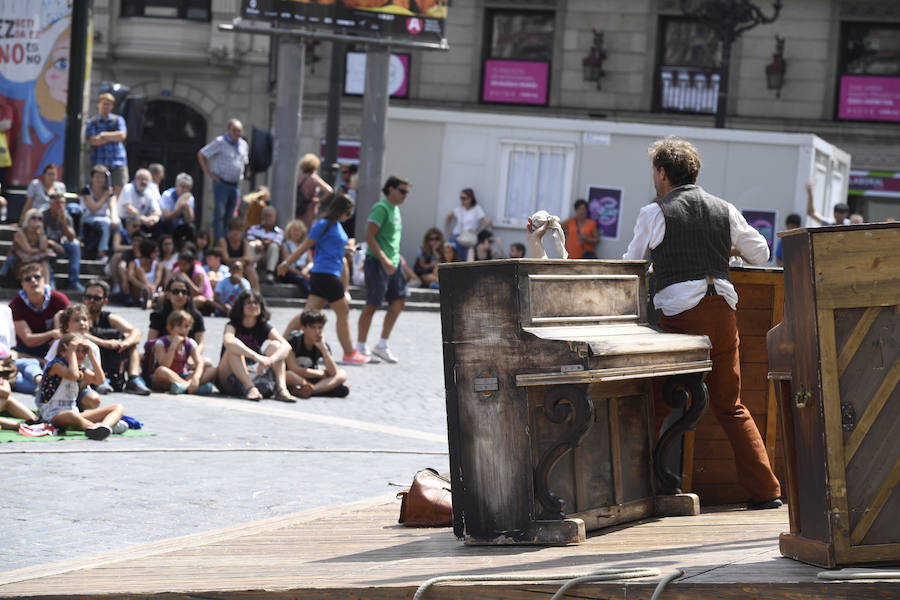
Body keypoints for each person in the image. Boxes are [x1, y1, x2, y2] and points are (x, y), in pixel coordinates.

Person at [622, 136, 782, 510]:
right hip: (723, 313)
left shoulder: (655, 212)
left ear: (662, 173)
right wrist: (724, 248)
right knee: (731, 405)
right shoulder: (723, 209)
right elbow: (761, 253)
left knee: (658, 402)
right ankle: (766, 492)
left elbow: (630, 265)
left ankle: (638, 488)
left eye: (655, 173)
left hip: (681, 319)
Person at [279, 194, 368, 365]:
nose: (349, 217)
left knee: (307, 316)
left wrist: (349, 250)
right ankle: (349, 353)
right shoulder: (322, 225)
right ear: (342, 211)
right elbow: (304, 246)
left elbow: (334, 248)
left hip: (325, 274)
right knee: (343, 313)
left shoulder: (336, 226)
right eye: (349, 213)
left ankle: (281, 344)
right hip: (327, 275)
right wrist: (286, 263)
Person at [356, 176, 410, 364]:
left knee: (399, 301)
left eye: (407, 192)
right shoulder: (381, 208)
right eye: (402, 191)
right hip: (377, 262)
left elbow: (391, 240)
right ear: (391, 189)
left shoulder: (395, 210)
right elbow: (369, 236)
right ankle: (360, 347)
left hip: (394, 264)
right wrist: (384, 259)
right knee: (372, 304)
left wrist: (396, 260)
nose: (405, 195)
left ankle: (382, 345)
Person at [35, 333, 124, 441]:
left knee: (118, 407)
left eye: (83, 351)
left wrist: (91, 355)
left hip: (74, 413)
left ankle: (105, 427)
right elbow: (73, 376)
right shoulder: (56, 365)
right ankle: (94, 427)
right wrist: (71, 351)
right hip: (51, 415)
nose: (81, 355)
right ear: (63, 351)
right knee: (71, 415)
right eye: (77, 350)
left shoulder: (80, 368)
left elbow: (100, 380)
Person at [216, 290, 294, 402]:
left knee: (277, 346)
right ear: (241, 306)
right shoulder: (232, 325)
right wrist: (256, 356)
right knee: (233, 349)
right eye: (248, 303)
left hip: (253, 370)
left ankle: (282, 390)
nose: (253, 305)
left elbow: (286, 346)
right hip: (229, 375)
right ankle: (250, 388)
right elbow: (229, 342)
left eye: (256, 303)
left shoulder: (263, 326)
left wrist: (270, 360)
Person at [82, 279, 150, 395]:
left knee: (132, 343)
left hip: (107, 355)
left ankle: (133, 379)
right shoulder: (78, 316)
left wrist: (125, 343)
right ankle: (97, 380)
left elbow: (135, 332)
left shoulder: (108, 317)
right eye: (88, 297)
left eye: (97, 298)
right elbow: (74, 333)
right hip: (86, 358)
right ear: (84, 298)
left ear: (105, 301)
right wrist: (104, 342)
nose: (91, 301)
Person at [198, 118, 249, 242]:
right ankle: (217, 242)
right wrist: (209, 173)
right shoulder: (220, 142)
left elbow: (245, 162)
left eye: (239, 131)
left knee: (230, 216)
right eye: (234, 130)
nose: (237, 133)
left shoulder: (243, 144)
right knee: (219, 215)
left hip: (235, 185)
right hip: (222, 183)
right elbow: (202, 154)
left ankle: (226, 241)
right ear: (229, 130)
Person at [44, 304, 102, 410]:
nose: (81, 323)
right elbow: (48, 366)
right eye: (76, 320)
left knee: (94, 400)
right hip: (57, 388)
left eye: (84, 320)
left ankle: (77, 407)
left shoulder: (92, 347)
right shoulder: (59, 343)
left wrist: (76, 389)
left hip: (80, 386)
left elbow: (96, 378)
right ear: (66, 326)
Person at [9, 262, 69, 361]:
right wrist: (52, 333)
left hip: (56, 347)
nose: (33, 281)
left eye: (37, 277)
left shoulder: (59, 299)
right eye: (28, 279)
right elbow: (28, 340)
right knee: (11, 355)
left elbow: (71, 326)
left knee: (61, 315)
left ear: (43, 280)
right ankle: (44, 363)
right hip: (27, 350)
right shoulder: (15, 305)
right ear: (22, 284)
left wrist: (56, 339)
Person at [285, 310, 349, 398]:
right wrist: (320, 373)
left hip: (311, 380)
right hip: (296, 377)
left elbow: (333, 372)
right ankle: (323, 389)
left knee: (342, 374)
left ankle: (312, 390)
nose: (317, 331)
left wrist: (323, 349)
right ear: (303, 328)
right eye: (313, 327)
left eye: (320, 327)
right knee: (288, 375)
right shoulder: (294, 341)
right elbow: (294, 368)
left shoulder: (323, 344)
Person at [150, 310, 216, 395]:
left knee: (213, 370)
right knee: (161, 371)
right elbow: (165, 365)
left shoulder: (190, 343)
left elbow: (199, 363)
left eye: (186, 326)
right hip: (167, 378)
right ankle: (189, 386)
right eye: (179, 326)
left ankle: (183, 387)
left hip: (183, 375)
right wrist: (173, 346)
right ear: (170, 327)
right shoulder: (161, 343)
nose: (183, 330)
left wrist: (196, 377)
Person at [148, 275, 210, 360]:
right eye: (175, 291)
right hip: (164, 358)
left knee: (208, 363)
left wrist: (192, 358)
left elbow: (200, 343)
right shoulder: (158, 315)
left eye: (184, 292)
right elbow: (150, 342)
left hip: (188, 357)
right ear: (168, 294)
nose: (180, 295)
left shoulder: (196, 315)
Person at [85, 92, 128, 196]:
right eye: (104, 103)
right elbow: (93, 141)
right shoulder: (92, 122)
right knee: (100, 191)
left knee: (120, 192)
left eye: (109, 104)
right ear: (98, 104)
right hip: (100, 163)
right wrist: (113, 137)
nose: (106, 106)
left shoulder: (118, 120)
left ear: (112, 106)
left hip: (118, 161)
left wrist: (103, 135)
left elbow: (122, 136)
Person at [42, 191, 84, 292]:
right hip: (44, 246)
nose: (60, 206)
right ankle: (50, 282)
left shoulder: (67, 217)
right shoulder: (42, 216)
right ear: (50, 204)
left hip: (59, 247)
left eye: (63, 203)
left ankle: (73, 282)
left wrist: (63, 221)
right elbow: (37, 237)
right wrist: (52, 243)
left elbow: (71, 238)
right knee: (45, 252)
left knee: (74, 246)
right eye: (57, 203)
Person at [0, 303, 43, 395]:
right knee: (17, 377)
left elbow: (6, 342)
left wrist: (9, 353)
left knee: (30, 362)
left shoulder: (5, 310)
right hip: (2, 365)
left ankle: (41, 382)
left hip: (6, 358)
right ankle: (44, 385)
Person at [3, 208, 54, 283]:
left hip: (32, 260)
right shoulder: (20, 233)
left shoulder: (40, 234)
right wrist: (41, 251)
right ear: (27, 219)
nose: (37, 220)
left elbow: (43, 248)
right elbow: (28, 250)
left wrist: (42, 231)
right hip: (18, 261)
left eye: (40, 218)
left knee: (45, 263)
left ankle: (47, 287)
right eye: (33, 218)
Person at [79, 165, 118, 261]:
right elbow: (93, 208)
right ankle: (101, 253)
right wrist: (105, 196)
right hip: (88, 217)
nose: (100, 180)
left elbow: (113, 206)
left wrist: (114, 219)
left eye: (102, 177)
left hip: (105, 216)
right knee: (105, 223)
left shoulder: (109, 191)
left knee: (118, 223)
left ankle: (117, 249)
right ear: (92, 178)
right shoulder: (86, 190)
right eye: (97, 177)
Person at [445, 188, 490, 261]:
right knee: (452, 258)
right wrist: (448, 230)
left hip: (469, 238)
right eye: (461, 198)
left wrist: (477, 232)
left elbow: (486, 222)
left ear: (470, 198)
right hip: (457, 236)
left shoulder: (476, 208)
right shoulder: (459, 209)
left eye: (464, 198)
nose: (462, 200)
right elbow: (448, 218)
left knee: (466, 260)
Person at [217, 217, 260, 291]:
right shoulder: (223, 241)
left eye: (238, 230)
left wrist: (241, 262)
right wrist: (242, 259)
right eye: (233, 229)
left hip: (240, 268)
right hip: (226, 268)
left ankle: (256, 295)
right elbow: (226, 260)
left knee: (250, 270)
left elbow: (246, 259)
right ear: (229, 231)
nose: (236, 232)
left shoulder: (245, 243)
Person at [247, 206, 284, 285]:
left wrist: (261, 243)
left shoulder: (279, 232)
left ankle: (270, 273)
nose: (267, 218)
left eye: (270, 216)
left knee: (273, 246)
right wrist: (257, 243)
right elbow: (249, 239)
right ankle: (251, 270)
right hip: (256, 255)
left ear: (275, 218)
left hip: (269, 257)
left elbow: (277, 242)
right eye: (265, 215)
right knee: (251, 245)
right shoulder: (253, 229)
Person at [295, 153, 333, 229]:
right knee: (307, 229)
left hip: (297, 206)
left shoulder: (298, 177)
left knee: (296, 227)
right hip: (309, 207)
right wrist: (319, 200)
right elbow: (329, 190)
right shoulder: (314, 178)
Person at [127, 239, 168, 309]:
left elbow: (159, 277)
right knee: (140, 271)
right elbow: (130, 278)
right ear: (149, 251)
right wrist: (144, 286)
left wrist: (153, 287)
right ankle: (148, 294)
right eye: (156, 251)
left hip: (153, 291)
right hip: (138, 291)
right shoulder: (133, 263)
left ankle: (148, 302)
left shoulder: (158, 265)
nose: (158, 254)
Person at [117, 168, 161, 233]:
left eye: (146, 180)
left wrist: (154, 219)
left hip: (143, 221)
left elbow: (158, 211)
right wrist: (144, 219)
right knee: (134, 223)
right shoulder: (128, 188)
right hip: (126, 220)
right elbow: (129, 208)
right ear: (135, 179)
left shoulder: (150, 192)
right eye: (142, 179)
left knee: (159, 224)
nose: (144, 182)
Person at [158, 172, 196, 247]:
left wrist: (187, 208)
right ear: (176, 186)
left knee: (190, 228)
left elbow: (190, 220)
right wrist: (179, 208)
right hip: (166, 224)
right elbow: (167, 217)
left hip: (179, 226)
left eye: (187, 187)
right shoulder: (167, 195)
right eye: (182, 186)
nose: (184, 190)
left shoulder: (190, 198)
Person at [171, 250, 214, 314]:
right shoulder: (177, 270)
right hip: (185, 297)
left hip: (202, 298)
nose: (181, 267)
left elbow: (198, 292)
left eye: (184, 264)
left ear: (191, 264)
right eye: (179, 264)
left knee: (199, 300)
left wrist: (186, 279)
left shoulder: (198, 272)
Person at [279, 219, 312, 294]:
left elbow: (311, 262)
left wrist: (305, 270)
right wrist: (300, 273)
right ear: (289, 231)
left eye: (299, 231)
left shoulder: (305, 245)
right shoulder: (285, 245)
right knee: (301, 279)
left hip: (304, 270)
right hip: (291, 271)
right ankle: (311, 294)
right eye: (294, 230)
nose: (296, 233)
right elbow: (286, 264)